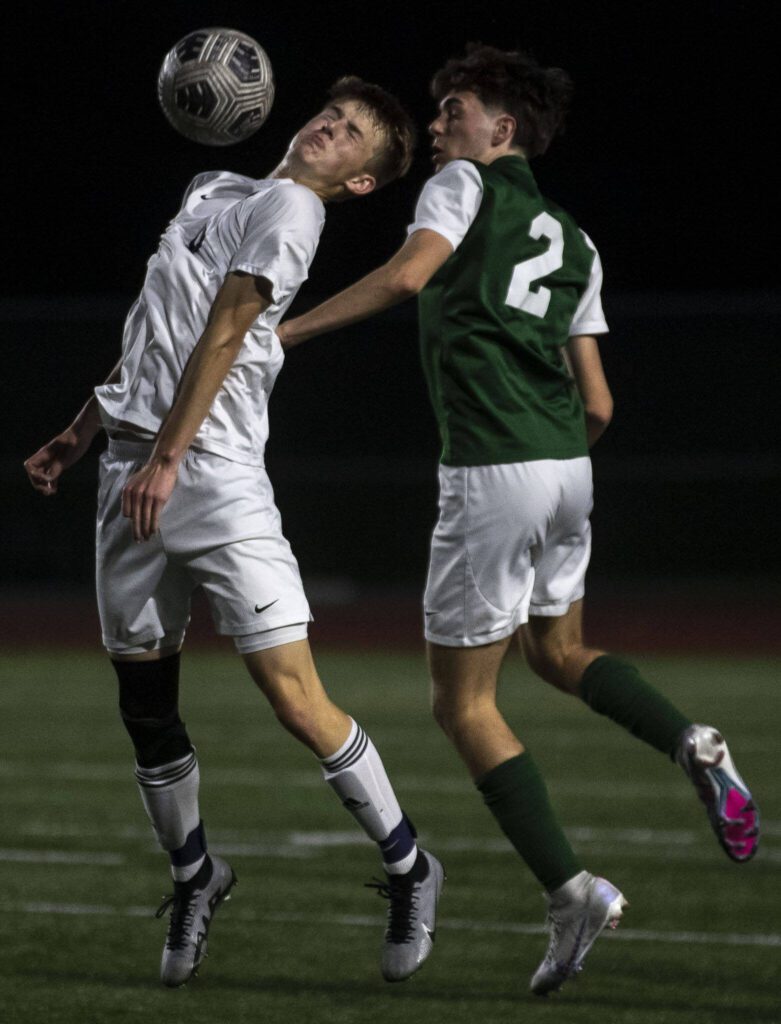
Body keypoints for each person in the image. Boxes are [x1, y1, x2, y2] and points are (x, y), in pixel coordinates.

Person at [277, 45, 760, 996]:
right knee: (557, 651)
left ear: (500, 130)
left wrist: (283, 331)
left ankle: (572, 889)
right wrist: (551, 461)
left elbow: (409, 278)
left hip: (494, 470)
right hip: (568, 469)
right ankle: (691, 743)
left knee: (461, 705)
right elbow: (602, 404)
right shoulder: (577, 240)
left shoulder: (461, 186)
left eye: (453, 109)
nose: (441, 124)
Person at [24, 77, 445, 989]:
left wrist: (169, 457)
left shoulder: (294, 208)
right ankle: (194, 877)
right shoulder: (213, 190)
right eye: (330, 116)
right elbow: (154, 334)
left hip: (208, 477)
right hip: (130, 469)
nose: (328, 128)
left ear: (362, 182)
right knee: (144, 705)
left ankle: (412, 865)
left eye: (351, 136)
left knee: (294, 697)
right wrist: (83, 428)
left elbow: (225, 328)